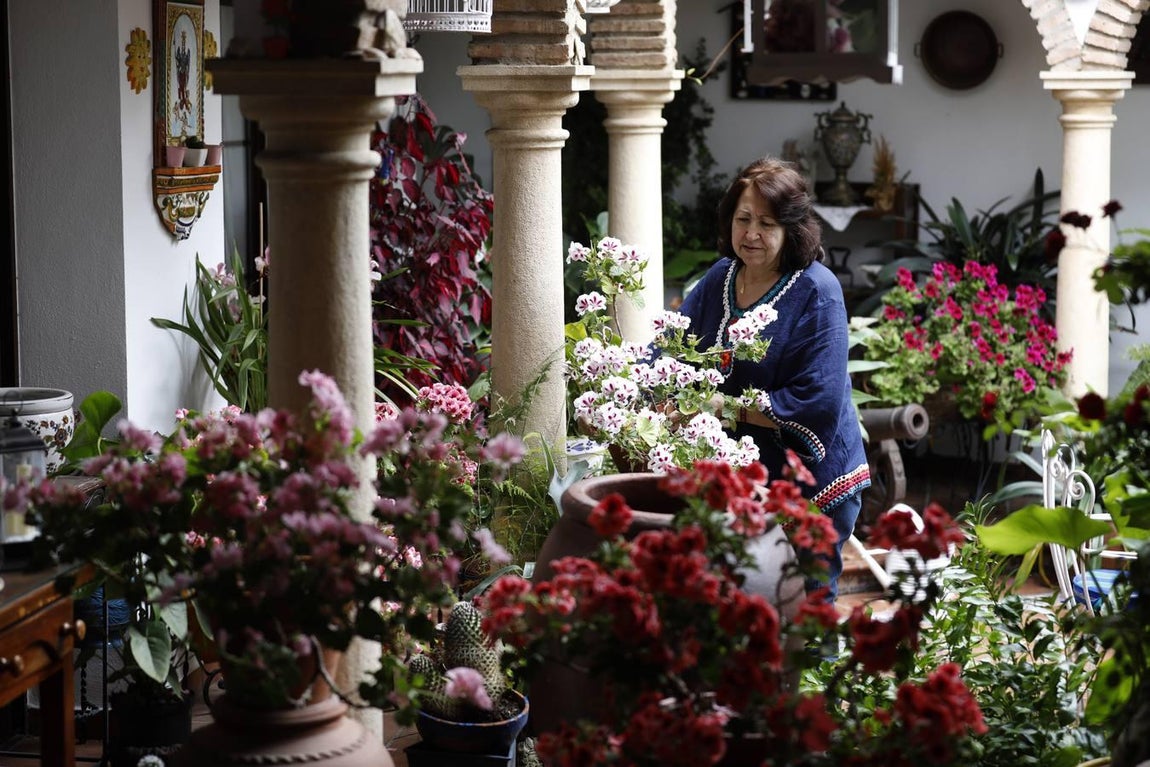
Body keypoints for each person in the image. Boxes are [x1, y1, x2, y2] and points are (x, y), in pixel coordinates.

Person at [677, 156, 870, 600]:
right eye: (743, 219)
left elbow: (817, 400)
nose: (751, 234)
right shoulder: (719, 277)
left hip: (814, 480)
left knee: (805, 605)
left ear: (792, 230)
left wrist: (718, 406)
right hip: (747, 476)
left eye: (766, 223)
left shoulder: (818, 291)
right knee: (744, 603)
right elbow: (673, 345)